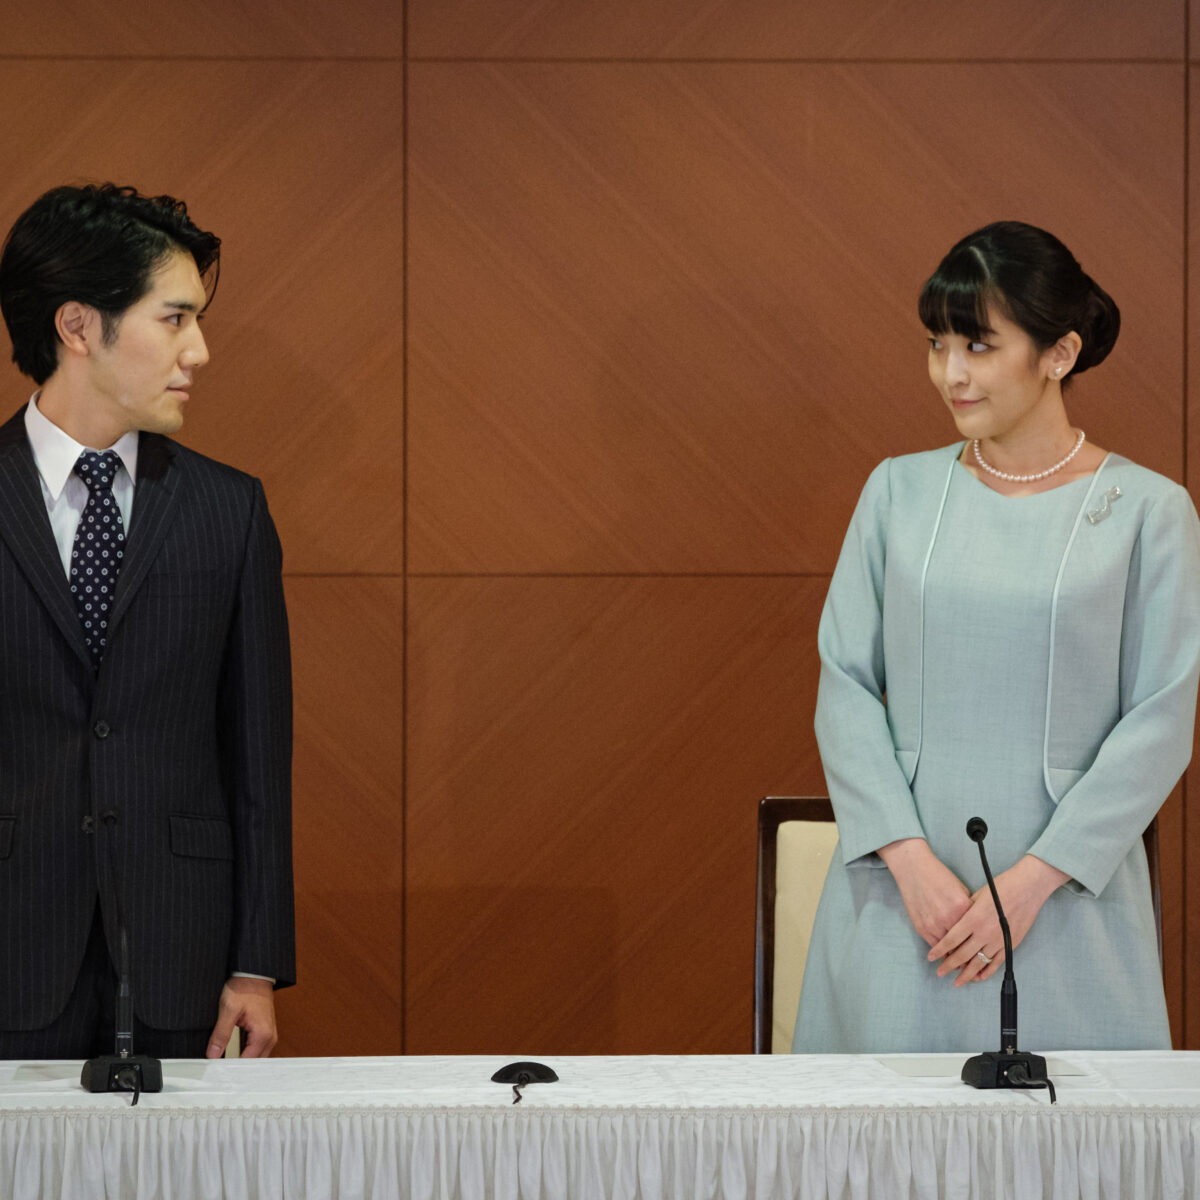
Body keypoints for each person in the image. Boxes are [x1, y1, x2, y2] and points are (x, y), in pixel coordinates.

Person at [793, 221, 1200, 1053]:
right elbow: (844, 684)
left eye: (979, 344)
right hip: (901, 904)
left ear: (1059, 354)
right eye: (937, 344)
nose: (952, 372)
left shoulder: (1151, 512)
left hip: (1067, 907)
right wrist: (910, 862)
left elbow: (1160, 720)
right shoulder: (895, 493)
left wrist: (1028, 885)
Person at [0, 183, 294, 1060]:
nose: (198, 351)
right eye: (174, 320)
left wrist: (256, 965)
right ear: (79, 325)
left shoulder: (229, 511)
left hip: (183, 961)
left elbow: (258, 760)